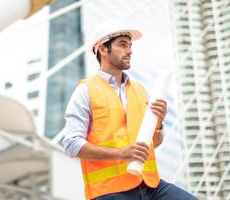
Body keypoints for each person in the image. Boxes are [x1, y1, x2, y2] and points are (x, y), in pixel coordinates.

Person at [62, 21, 197, 200]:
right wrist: (121, 153)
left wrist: (158, 124)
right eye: (123, 45)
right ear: (103, 49)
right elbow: (71, 144)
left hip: (150, 185)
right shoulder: (85, 91)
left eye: (130, 45)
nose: (130, 50)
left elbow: (153, 143)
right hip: (110, 191)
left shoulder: (139, 90)